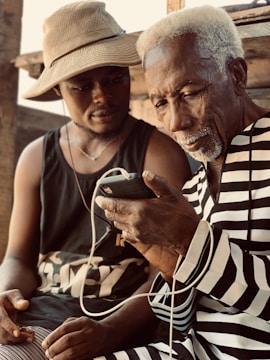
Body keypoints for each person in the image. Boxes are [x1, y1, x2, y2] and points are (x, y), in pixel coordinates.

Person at [0, 2, 192, 359]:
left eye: (114, 78)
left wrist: (109, 332)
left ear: (128, 74)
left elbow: (171, 273)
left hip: (119, 322)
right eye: (82, 86)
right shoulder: (35, 158)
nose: (102, 95)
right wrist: (6, 295)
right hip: (40, 318)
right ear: (59, 90)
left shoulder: (157, 154)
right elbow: (19, 259)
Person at [95, 4, 270, 359]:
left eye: (189, 93)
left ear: (236, 74)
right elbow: (178, 323)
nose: (175, 122)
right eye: (160, 102)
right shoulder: (192, 189)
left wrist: (192, 242)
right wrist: (172, 269)